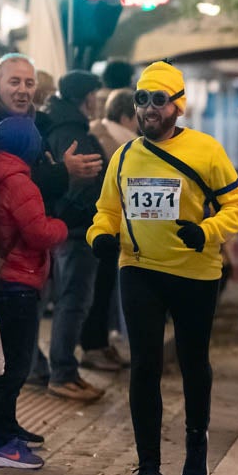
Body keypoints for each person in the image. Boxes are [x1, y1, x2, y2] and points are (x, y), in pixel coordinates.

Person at [87, 61, 238, 475]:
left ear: (177, 106)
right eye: (142, 99)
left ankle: (196, 439)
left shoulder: (206, 151)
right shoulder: (123, 156)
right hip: (139, 268)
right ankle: (148, 469)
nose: (148, 108)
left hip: (195, 273)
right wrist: (100, 236)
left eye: (158, 100)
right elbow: (107, 210)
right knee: (144, 364)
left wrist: (207, 231)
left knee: (193, 360)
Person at [0, 117, 69, 469]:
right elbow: (38, 233)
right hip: (18, 280)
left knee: (9, 364)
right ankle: (0, 443)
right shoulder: (19, 182)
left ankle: (4, 429)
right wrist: (63, 226)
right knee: (14, 367)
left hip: (3, 279)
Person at [42, 70, 108, 402]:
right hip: (79, 231)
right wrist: (88, 215)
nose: (99, 101)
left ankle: (59, 370)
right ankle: (63, 372)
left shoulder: (59, 125)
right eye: (96, 95)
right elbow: (86, 182)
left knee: (68, 299)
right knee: (74, 301)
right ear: (85, 98)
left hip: (69, 228)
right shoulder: (73, 132)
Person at [82, 88, 138, 373]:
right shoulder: (123, 145)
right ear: (128, 117)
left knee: (98, 291)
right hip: (106, 228)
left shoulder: (96, 132)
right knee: (99, 291)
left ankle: (100, 344)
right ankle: (94, 346)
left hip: (98, 228)